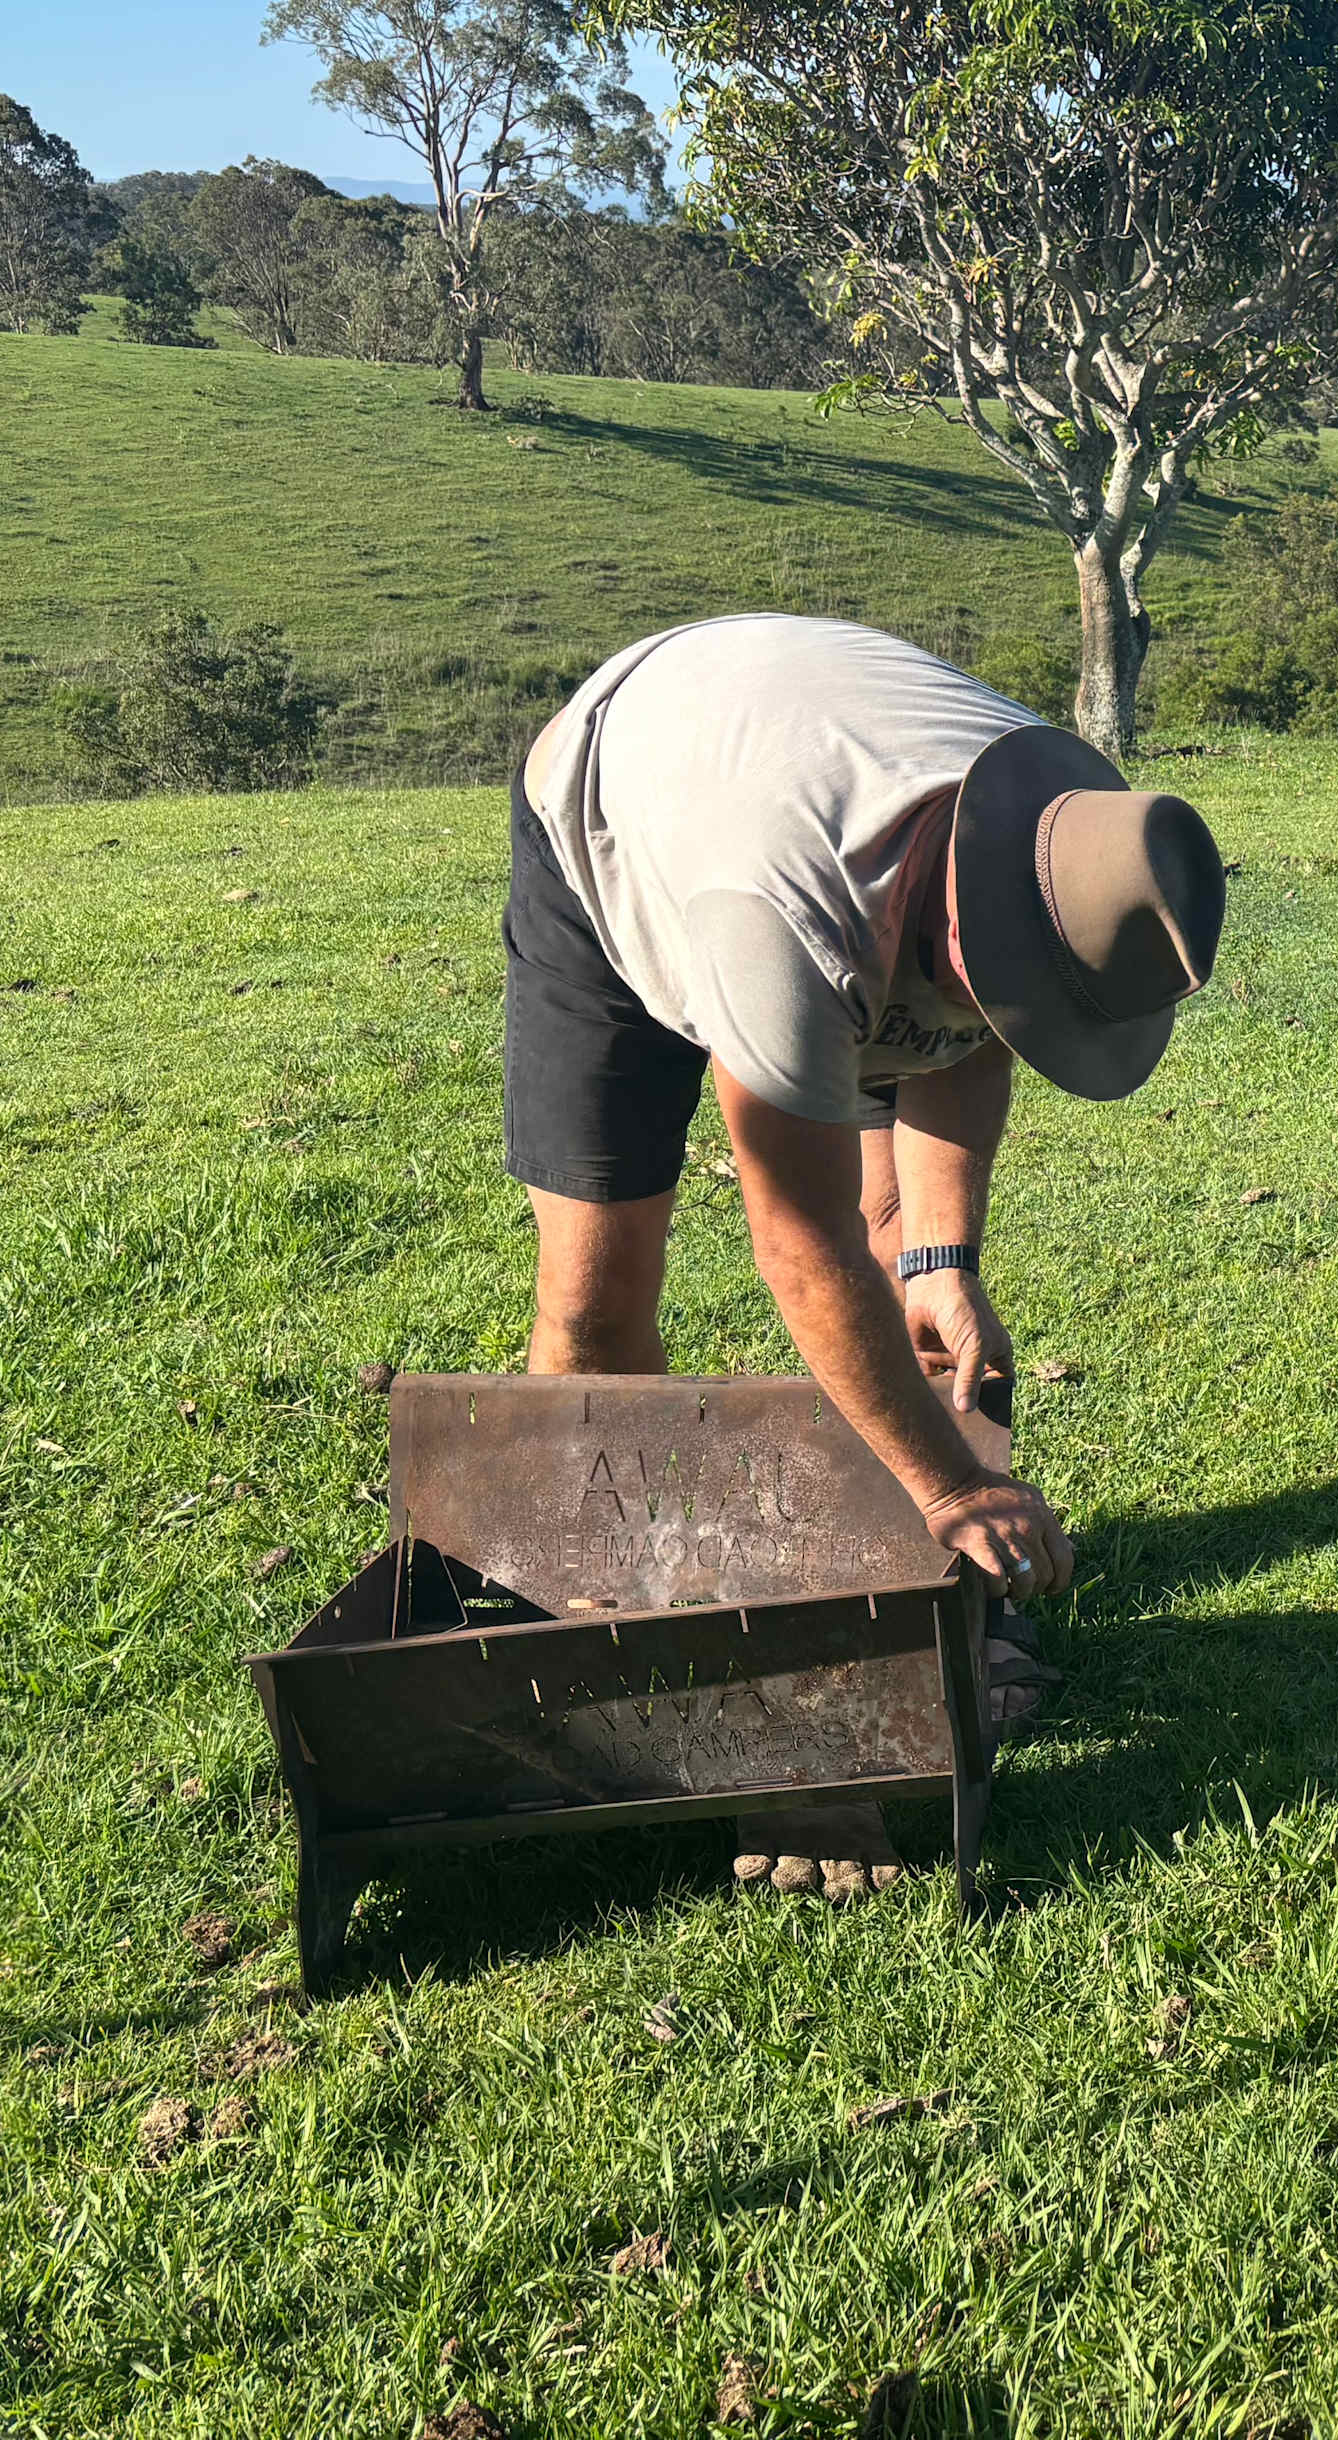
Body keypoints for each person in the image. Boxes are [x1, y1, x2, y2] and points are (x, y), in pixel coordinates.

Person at [503, 614, 1222, 1877]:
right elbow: (799, 1234)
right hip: (620, 826)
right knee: (596, 1297)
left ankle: (900, 1621)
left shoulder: (1074, 837)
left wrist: (941, 1260)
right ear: (968, 912)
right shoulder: (768, 907)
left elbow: (986, 1028)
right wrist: (956, 1485)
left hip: (845, 851)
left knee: (903, 1280)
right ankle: (618, 1643)